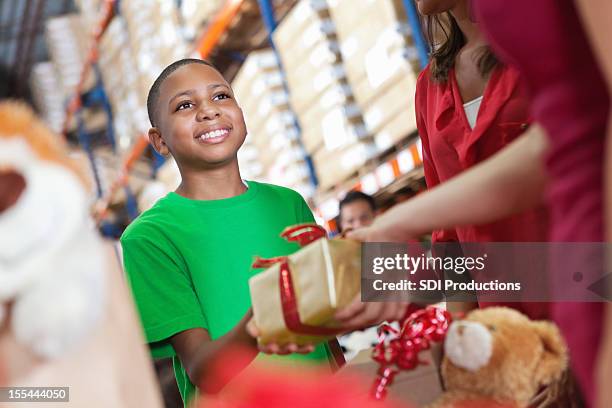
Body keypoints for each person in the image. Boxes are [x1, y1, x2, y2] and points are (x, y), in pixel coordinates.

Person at [120, 58, 335, 406]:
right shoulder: (149, 238)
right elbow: (204, 371)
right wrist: (262, 319)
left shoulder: (288, 204)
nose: (209, 112)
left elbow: (327, 338)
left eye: (221, 96)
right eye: (185, 105)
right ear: (159, 142)